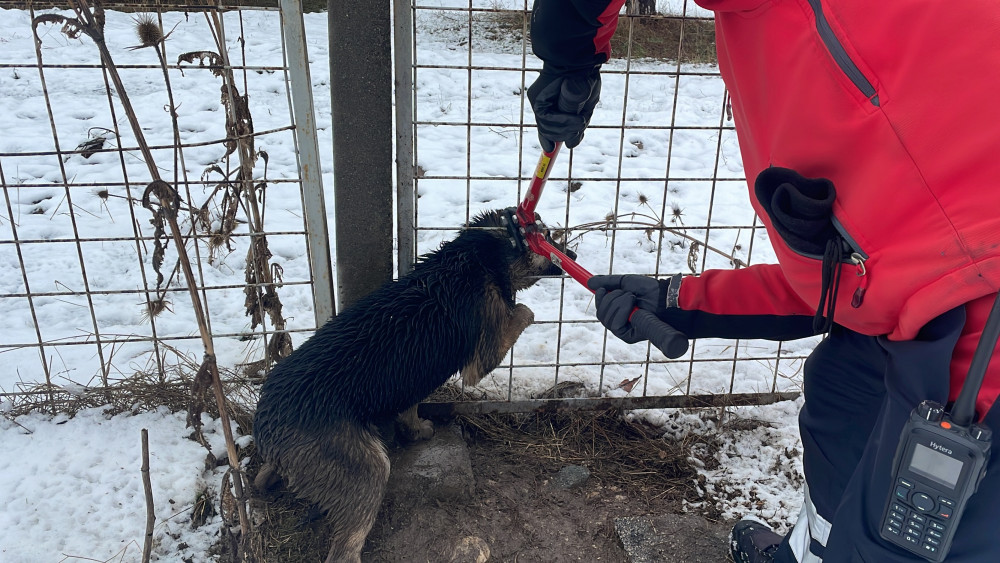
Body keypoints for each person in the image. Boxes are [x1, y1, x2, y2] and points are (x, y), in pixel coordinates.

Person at [527, 1, 1000, 562]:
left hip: (977, 353)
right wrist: (676, 301)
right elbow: (849, 285)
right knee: (842, 390)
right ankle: (811, 550)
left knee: (903, 539)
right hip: (923, 307)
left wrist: (569, 55)